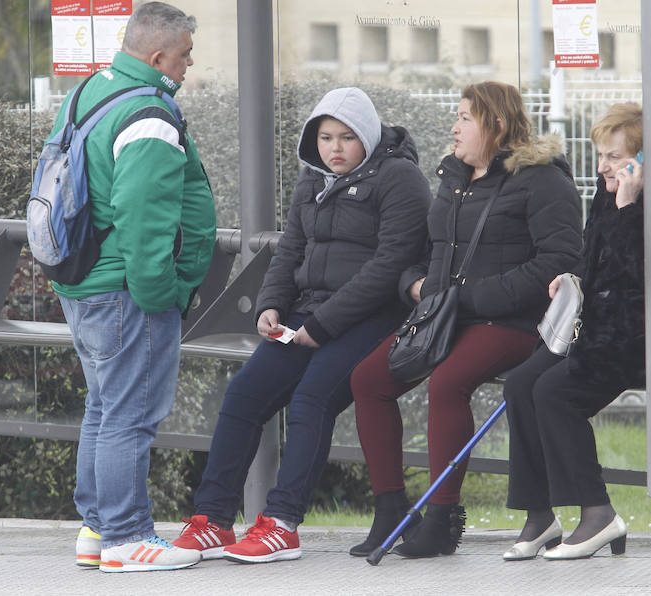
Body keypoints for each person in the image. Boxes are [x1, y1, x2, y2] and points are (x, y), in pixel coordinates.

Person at [172, 87, 431, 564]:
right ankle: (213, 519)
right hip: (306, 314)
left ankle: (282, 524)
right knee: (245, 394)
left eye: (347, 138)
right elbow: (290, 250)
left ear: (369, 136)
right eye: (326, 137)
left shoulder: (400, 179)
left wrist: (324, 325)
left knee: (313, 398)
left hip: (372, 318)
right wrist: (270, 306)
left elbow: (390, 265)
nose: (334, 148)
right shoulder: (312, 179)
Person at [349, 81, 583, 559]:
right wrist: (413, 285)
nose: (454, 128)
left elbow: (560, 258)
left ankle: (443, 518)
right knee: (367, 379)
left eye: (465, 119)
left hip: (514, 323)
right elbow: (423, 251)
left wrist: (474, 298)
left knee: (447, 382)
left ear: (496, 126)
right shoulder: (452, 177)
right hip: (444, 316)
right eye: (456, 118)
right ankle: (391, 509)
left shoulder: (541, 179)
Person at [54, 2, 216, 573]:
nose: (188, 65)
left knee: (104, 407)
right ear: (156, 56)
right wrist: (163, 293)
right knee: (130, 415)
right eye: (184, 54)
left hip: (84, 283)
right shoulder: (148, 114)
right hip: (128, 290)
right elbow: (145, 220)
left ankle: (96, 530)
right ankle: (127, 538)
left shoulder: (91, 91)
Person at [501, 102, 645, 561]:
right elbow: (595, 258)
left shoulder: (641, 200)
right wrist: (574, 277)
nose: (602, 166)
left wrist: (627, 208)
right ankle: (539, 513)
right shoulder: (609, 194)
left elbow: (634, 274)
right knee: (521, 383)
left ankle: (598, 512)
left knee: (556, 393)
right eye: (600, 154)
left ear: (640, 161)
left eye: (613, 156)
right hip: (595, 325)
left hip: (632, 335)